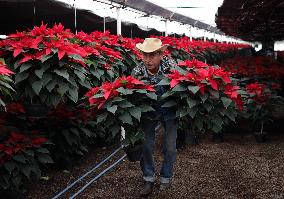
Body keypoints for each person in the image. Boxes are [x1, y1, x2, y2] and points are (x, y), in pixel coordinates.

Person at [131, 38, 178, 196]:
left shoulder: (170, 67)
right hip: (148, 109)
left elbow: (180, 86)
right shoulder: (137, 72)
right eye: (145, 55)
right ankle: (148, 178)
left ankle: (166, 177)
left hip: (169, 108)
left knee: (170, 146)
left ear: (160, 55)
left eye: (152, 55)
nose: (147, 59)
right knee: (146, 145)